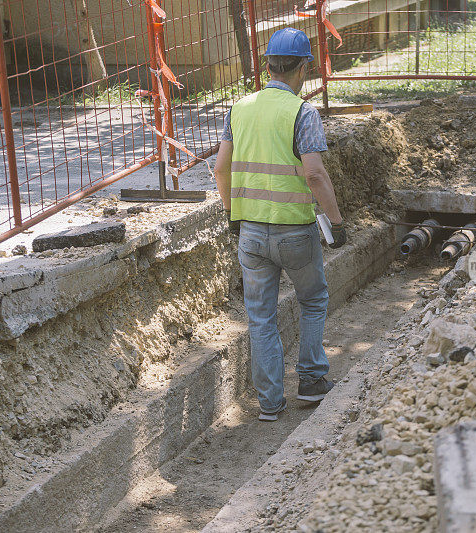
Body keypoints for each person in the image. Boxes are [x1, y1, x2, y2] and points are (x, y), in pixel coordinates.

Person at [213, 27, 347, 422]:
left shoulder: (239, 108)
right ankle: (311, 381)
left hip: (250, 232)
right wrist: (336, 223)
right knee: (313, 300)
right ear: (304, 66)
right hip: (295, 231)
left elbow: (221, 169)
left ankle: (270, 403)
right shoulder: (302, 113)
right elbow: (315, 175)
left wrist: (233, 213)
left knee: (260, 317)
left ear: (268, 64)